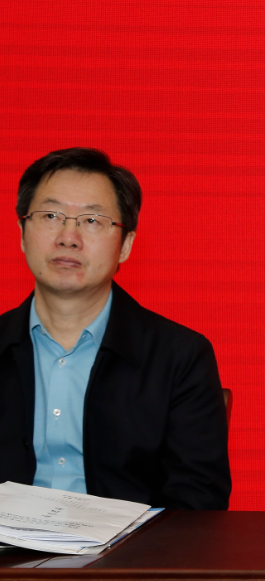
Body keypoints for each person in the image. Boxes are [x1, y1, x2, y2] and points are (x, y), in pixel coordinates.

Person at [0, 147, 231, 509]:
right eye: (51, 215)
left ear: (125, 245)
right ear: (22, 232)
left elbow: (198, 503)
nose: (68, 237)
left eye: (92, 221)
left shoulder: (179, 357)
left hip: (132, 546)